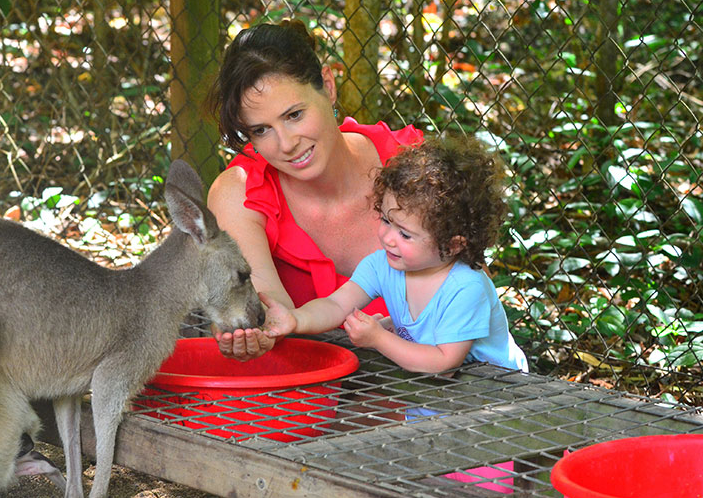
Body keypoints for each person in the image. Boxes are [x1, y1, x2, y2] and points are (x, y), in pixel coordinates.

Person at [206, 20, 423, 360]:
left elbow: (468, 290)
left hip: (434, 385)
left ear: (328, 86)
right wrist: (251, 332)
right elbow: (267, 314)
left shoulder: (411, 165)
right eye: (261, 130)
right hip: (306, 393)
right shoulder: (240, 192)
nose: (287, 144)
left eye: (294, 115)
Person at [261, 134, 528, 373]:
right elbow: (336, 305)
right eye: (387, 221)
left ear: (453, 245)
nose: (387, 238)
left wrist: (379, 339)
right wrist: (296, 318)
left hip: (497, 396)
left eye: (405, 234)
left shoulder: (465, 286)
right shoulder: (383, 266)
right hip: (434, 394)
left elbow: (444, 363)